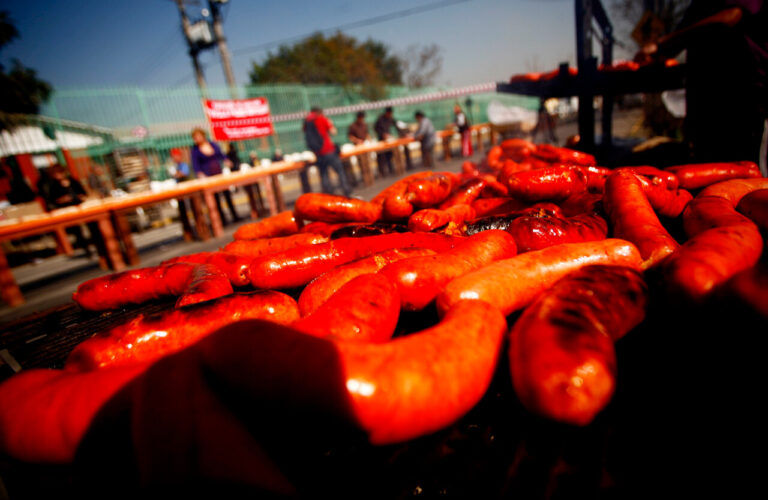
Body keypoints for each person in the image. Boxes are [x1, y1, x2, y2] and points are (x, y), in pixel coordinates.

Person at [635, 1, 767, 169]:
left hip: (739, 94)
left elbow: (731, 16)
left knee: (739, 173)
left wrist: (663, 45)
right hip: (704, 95)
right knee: (703, 167)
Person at [38, 164, 97, 257]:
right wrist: (62, 200)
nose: (58, 176)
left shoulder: (73, 181)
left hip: (79, 206)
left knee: (92, 224)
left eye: (59, 173)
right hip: (66, 210)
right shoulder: (53, 185)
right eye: (56, 174)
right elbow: (52, 200)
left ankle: (96, 244)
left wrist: (80, 196)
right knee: (77, 230)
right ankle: (86, 249)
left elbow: (83, 193)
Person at [190, 127, 241, 224]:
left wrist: (226, 160)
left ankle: (234, 215)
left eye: (198, 136)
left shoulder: (212, 144)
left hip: (219, 173)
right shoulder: (195, 150)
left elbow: (221, 155)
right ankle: (222, 220)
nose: (196, 139)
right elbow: (195, 165)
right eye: (195, 137)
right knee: (215, 200)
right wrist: (199, 173)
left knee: (227, 195)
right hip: (208, 177)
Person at [303, 107, 351, 196]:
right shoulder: (322, 119)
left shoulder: (307, 122)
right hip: (328, 150)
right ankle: (346, 190)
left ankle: (329, 194)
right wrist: (330, 123)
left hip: (317, 153)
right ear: (320, 112)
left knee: (324, 174)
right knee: (340, 171)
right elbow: (333, 132)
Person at [169, 148, 197, 241]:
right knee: (183, 213)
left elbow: (184, 174)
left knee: (194, 211)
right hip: (181, 193)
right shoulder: (177, 166)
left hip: (190, 192)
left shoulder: (184, 164)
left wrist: (176, 174)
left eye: (176, 156)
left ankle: (196, 231)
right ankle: (189, 233)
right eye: (173, 156)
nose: (174, 158)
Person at [374, 107, 396, 177]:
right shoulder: (380, 119)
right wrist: (383, 134)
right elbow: (376, 128)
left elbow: (396, 125)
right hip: (381, 140)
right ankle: (383, 172)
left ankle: (391, 169)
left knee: (389, 155)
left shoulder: (390, 118)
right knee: (381, 157)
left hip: (388, 140)